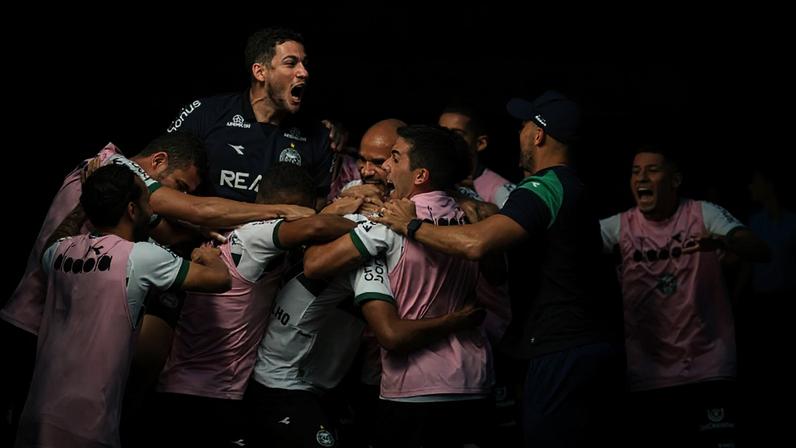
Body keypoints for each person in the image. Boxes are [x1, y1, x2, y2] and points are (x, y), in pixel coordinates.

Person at [0, 132, 313, 443]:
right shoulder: (116, 169)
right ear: (158, 161)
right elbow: (196, 212)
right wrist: (277, 211)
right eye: (179, 187)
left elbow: (169, 229)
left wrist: (201, 230)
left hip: (51, 336)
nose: (170, 200)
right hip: (34, 326)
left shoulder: (86, 226)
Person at [374, 92, 626, 448]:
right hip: (594, 343)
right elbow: (498, 271)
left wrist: (411, 226)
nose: (519, 133)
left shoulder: (543, 186)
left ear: (538, 135)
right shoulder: (577, 186)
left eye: (524, 125)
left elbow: (477, 244)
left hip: (562, 347)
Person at [14, 165, 232, 448]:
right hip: (85, 424)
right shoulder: (139, 257)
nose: (151, 207)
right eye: (145, 199)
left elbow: (54, 240)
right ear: (131, 209)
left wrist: (84, 205)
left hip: (35, 414)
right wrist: (207, 255)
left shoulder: (59, 253)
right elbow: (219, 280)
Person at [304, 125, 494, 447]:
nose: (386, 169)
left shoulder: (388, 222)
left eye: (394, 157)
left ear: (419, 175)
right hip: (476, 380)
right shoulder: (472, 220)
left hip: (417, 387)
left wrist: (333, 217)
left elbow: (315, 265)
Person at [154, 163, 357, 447]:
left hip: (191, 387)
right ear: (295, 211)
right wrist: (372, 225)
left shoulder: (245, 234)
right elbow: (318, 226)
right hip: (206, 395)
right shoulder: (256, 237)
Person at [599, 145, 771, 448]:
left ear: (675, 180)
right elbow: (569, 254)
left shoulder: (702, 214)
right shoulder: (618, 227)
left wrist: (726, 240)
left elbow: (758, 248)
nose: (641, 178)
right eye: (636, 171)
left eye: (652, 170)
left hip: (709, 364)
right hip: (648, 371)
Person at [166, 26, 335, 205]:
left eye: (304, 64)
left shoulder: (318, 135)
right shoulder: (205, 113)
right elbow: (162, 175)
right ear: (260, 72)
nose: (304, 72)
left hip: (276, 232)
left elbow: (317, 204)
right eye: (290, 63)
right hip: (203, 228)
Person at [438, 104, 516, 207]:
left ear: (480, 143)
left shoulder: (501, 189)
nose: (445, 139)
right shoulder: (426, 178)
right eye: (440, 132)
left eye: (456, 134)